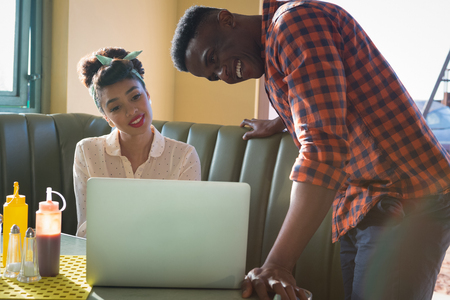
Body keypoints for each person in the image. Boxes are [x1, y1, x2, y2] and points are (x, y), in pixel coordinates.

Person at [171, 1, 450, 300]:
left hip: (407, 193)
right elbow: (324, 95)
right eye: (213, 75)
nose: (223, 75)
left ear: (226, 20)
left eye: (213, 58)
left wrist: (277, 263)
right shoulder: (275, 50)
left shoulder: (293, 23)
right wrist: (282, 121)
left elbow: (322, 148)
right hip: (363, 200)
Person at [74, 47, 201, 238]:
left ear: (148, 96)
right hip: (106, 260)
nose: (131, 111)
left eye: (135, 97)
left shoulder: (184, 156)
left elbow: (187, 230)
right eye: (116, 107)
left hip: (165, 261)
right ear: (107, 118)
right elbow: (86, 229)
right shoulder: (87, 152)